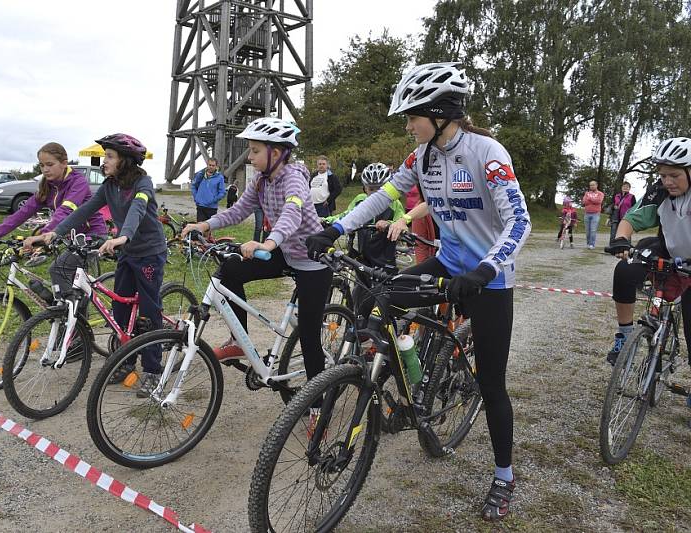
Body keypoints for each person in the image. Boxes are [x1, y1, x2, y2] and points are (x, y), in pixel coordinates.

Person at [306, 62, 530, 521]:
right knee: (377, 297)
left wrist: (487, 270)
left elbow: (519, 221)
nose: (407, 125)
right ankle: (404, 379)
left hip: (489, 278)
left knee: (491, 384)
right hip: (447, 263)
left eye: (413, 116)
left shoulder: (487, 153)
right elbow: (385, 196)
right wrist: (337, 227)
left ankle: (504, 475)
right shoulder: (422, 157)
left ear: (442, 113)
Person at [181, 117, 333, 386]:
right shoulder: (261, 182)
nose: (250, 157)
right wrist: (204, 224)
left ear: (275, 153)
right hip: (285, 252)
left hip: (312, 260)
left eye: (254, 151)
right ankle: (239, 341)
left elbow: (292, 212)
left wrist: (268, 243)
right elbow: (238, 211)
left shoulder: (294, 178)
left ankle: (318, 405)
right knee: (230, 269)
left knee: (309, 336)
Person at [37, 133, 166, 398]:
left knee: (149, 313)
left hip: (149, 254)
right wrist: (56, 232)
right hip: (127, 253)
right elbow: (84, 211)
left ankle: (153, 371)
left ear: (125, 161)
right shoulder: (110, 186)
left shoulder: (143, 182)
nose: (103, 161)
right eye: (104, 155)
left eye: (109, 156)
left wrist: (123, 235)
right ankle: (125, 362)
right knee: (120, 308)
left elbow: (138, 209)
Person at [605, 138, 691, 404]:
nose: (667, 181)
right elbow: (632, 218)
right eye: (662, 175)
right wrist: (621, 239)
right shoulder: (660, 192)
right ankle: (625, 336)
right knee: (625, 270)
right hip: (669, 253)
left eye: (674, 175)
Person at [0, 142, 108, 296]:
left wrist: (44, 234)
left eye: (50, 164)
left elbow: (65, 211)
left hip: (92, 234)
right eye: (41, 165)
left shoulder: (77, 182)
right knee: (69, 280)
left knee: (58, 270)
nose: (45, 169)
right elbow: (24, 211)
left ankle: (72, 315)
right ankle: (69, 312)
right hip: (67, 236)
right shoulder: (48, 186)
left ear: (64, 164)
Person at [324, 162, 405, 315]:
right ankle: (358, 329)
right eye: (371, 189)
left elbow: (403, 223)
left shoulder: (395, 203)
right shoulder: (360, 199)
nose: (375, 193)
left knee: (381, 306)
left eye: (380, 189)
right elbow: (346, 215)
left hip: (383, 259)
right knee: (358, 300)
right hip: (363, 257)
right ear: (365, 188)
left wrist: (389, 223)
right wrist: (327, 220)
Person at [191, 158, 225, 222]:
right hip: (201, 206)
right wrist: (196, 198)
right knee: (200, 228)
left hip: (212, 208)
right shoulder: (200, 175)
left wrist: (213, 200)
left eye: (213, 165)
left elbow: (222, 192)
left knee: (209, 229)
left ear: (216, 166)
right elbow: (193, 186)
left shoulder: (219, 177)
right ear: (207, 165)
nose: (211, 167)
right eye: (210, 165)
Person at [582, 180, 604, 249]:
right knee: (587, 230)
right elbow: (584, 202)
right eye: (590, 185)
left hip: (596, 214)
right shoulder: (587, 193)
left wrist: (590, 199)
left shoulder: (600, 193)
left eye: (593, 185)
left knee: (593, 230)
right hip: (587, 213)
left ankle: (592, 244)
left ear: (596, 185)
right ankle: (588, 243)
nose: (591, 186)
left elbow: (599, 201)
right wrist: (592, 200)